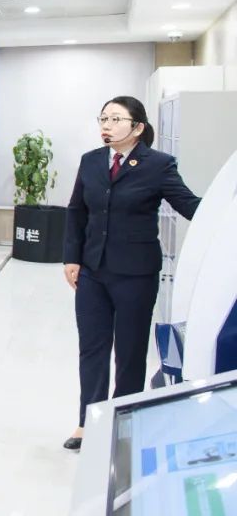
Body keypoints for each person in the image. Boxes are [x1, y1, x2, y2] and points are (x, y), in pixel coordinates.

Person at [62, 95, 200, 451]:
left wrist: (222, 209)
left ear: (137, 128)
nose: (106, 126)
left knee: (130, 351)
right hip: (93, 271)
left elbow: (188, 205)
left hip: (135, 274)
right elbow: (77, 211)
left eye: (115, 119)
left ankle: (124, 422)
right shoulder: (91, 161)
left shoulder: (159, 165)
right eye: (103, 118)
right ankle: (88, 422)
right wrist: (71, 258)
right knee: (92, 349)